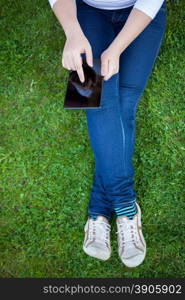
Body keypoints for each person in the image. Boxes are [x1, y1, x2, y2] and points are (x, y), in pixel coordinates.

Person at [48, 0, 167, 267]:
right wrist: (73, 32)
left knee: (123, 103)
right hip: (86, 11)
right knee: (93, 96)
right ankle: (126, 206)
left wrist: (115, 49)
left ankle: (99, 208)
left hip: (141, 13)